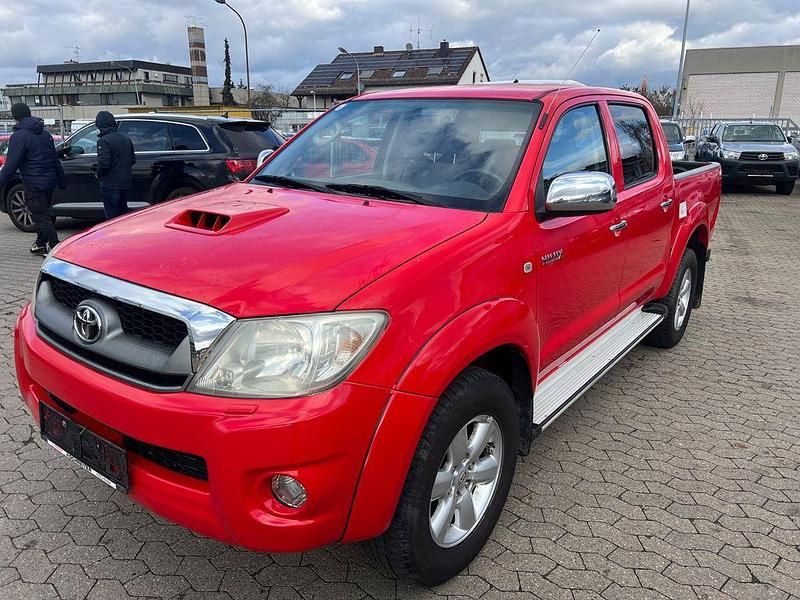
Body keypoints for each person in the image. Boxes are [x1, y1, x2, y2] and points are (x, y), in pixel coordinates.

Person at [0, 103, 65, 255]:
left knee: (41, 216)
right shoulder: (45, 134)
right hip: (50, 181)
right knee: (43, 213)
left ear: (15, 116)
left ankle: (55, 248)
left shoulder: (19, 136)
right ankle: (41, 242)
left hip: (34, 183)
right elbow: (55, 159)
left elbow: (10, 165)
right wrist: (61, 180)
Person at [95, 111, 135, 219]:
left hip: (110, 184)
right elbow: (132, 160)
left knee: (111, 215)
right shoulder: (126, 139)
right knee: (123, 215)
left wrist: (98, 174)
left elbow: (103, 164)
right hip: (125, 182)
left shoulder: (103, 141)